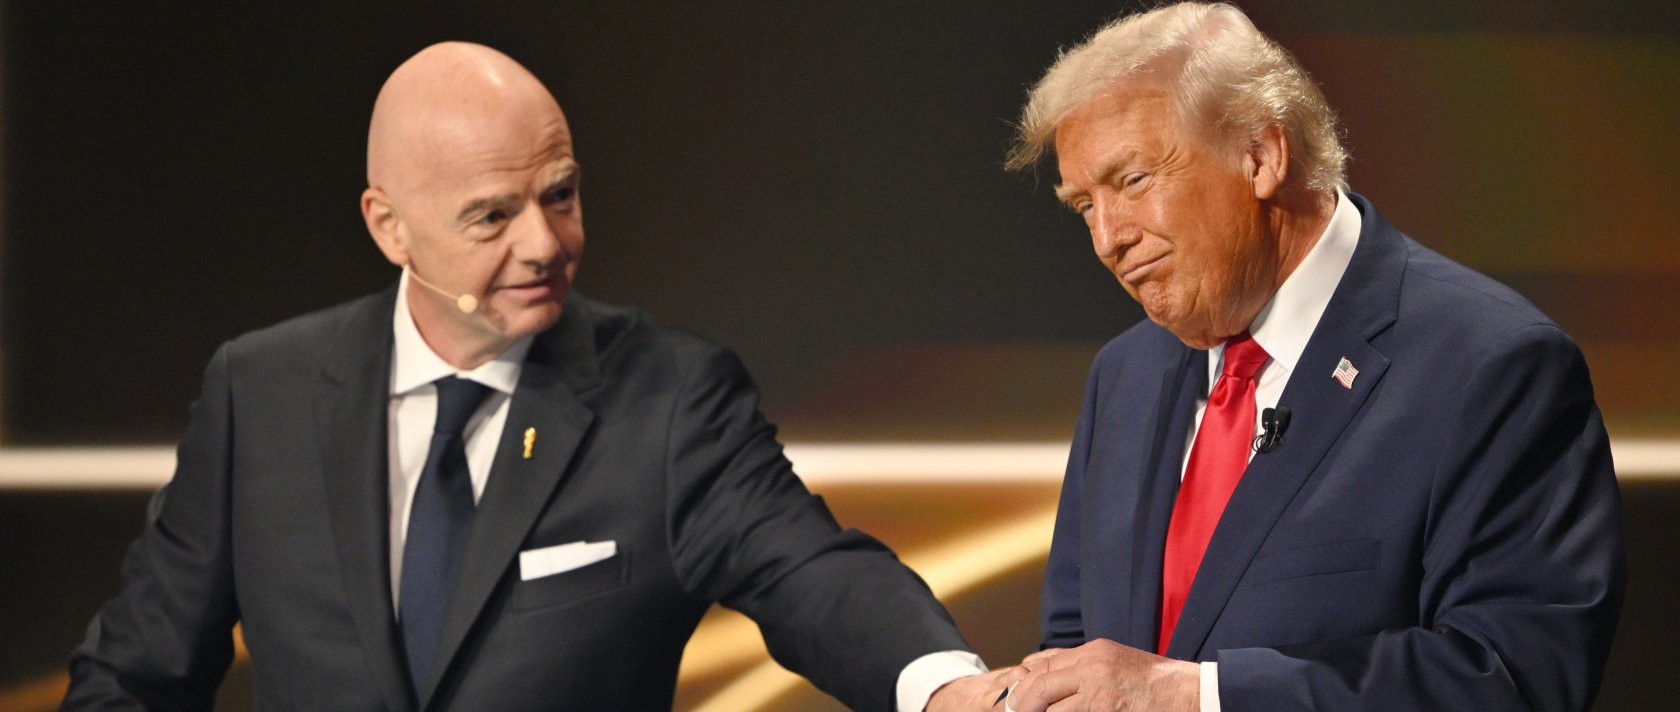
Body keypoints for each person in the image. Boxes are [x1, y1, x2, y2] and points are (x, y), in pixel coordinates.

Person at [61, 42, 999, 711]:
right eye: (491, 216)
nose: (545, 244)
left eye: (561, 194)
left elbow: (811, 572)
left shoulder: (672, 396)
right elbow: (135, 677)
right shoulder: (258, 392)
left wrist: (944, 689)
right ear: (389, 227)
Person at [992, 3, 1625, 711]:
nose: (1107, 239)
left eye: (1133, 181)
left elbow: (1513, 678)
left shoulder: (1493, 367)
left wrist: (1202, 698)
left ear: (1261, 155)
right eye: (1084, 205)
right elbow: (1081, 651)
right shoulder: (1125, 377)